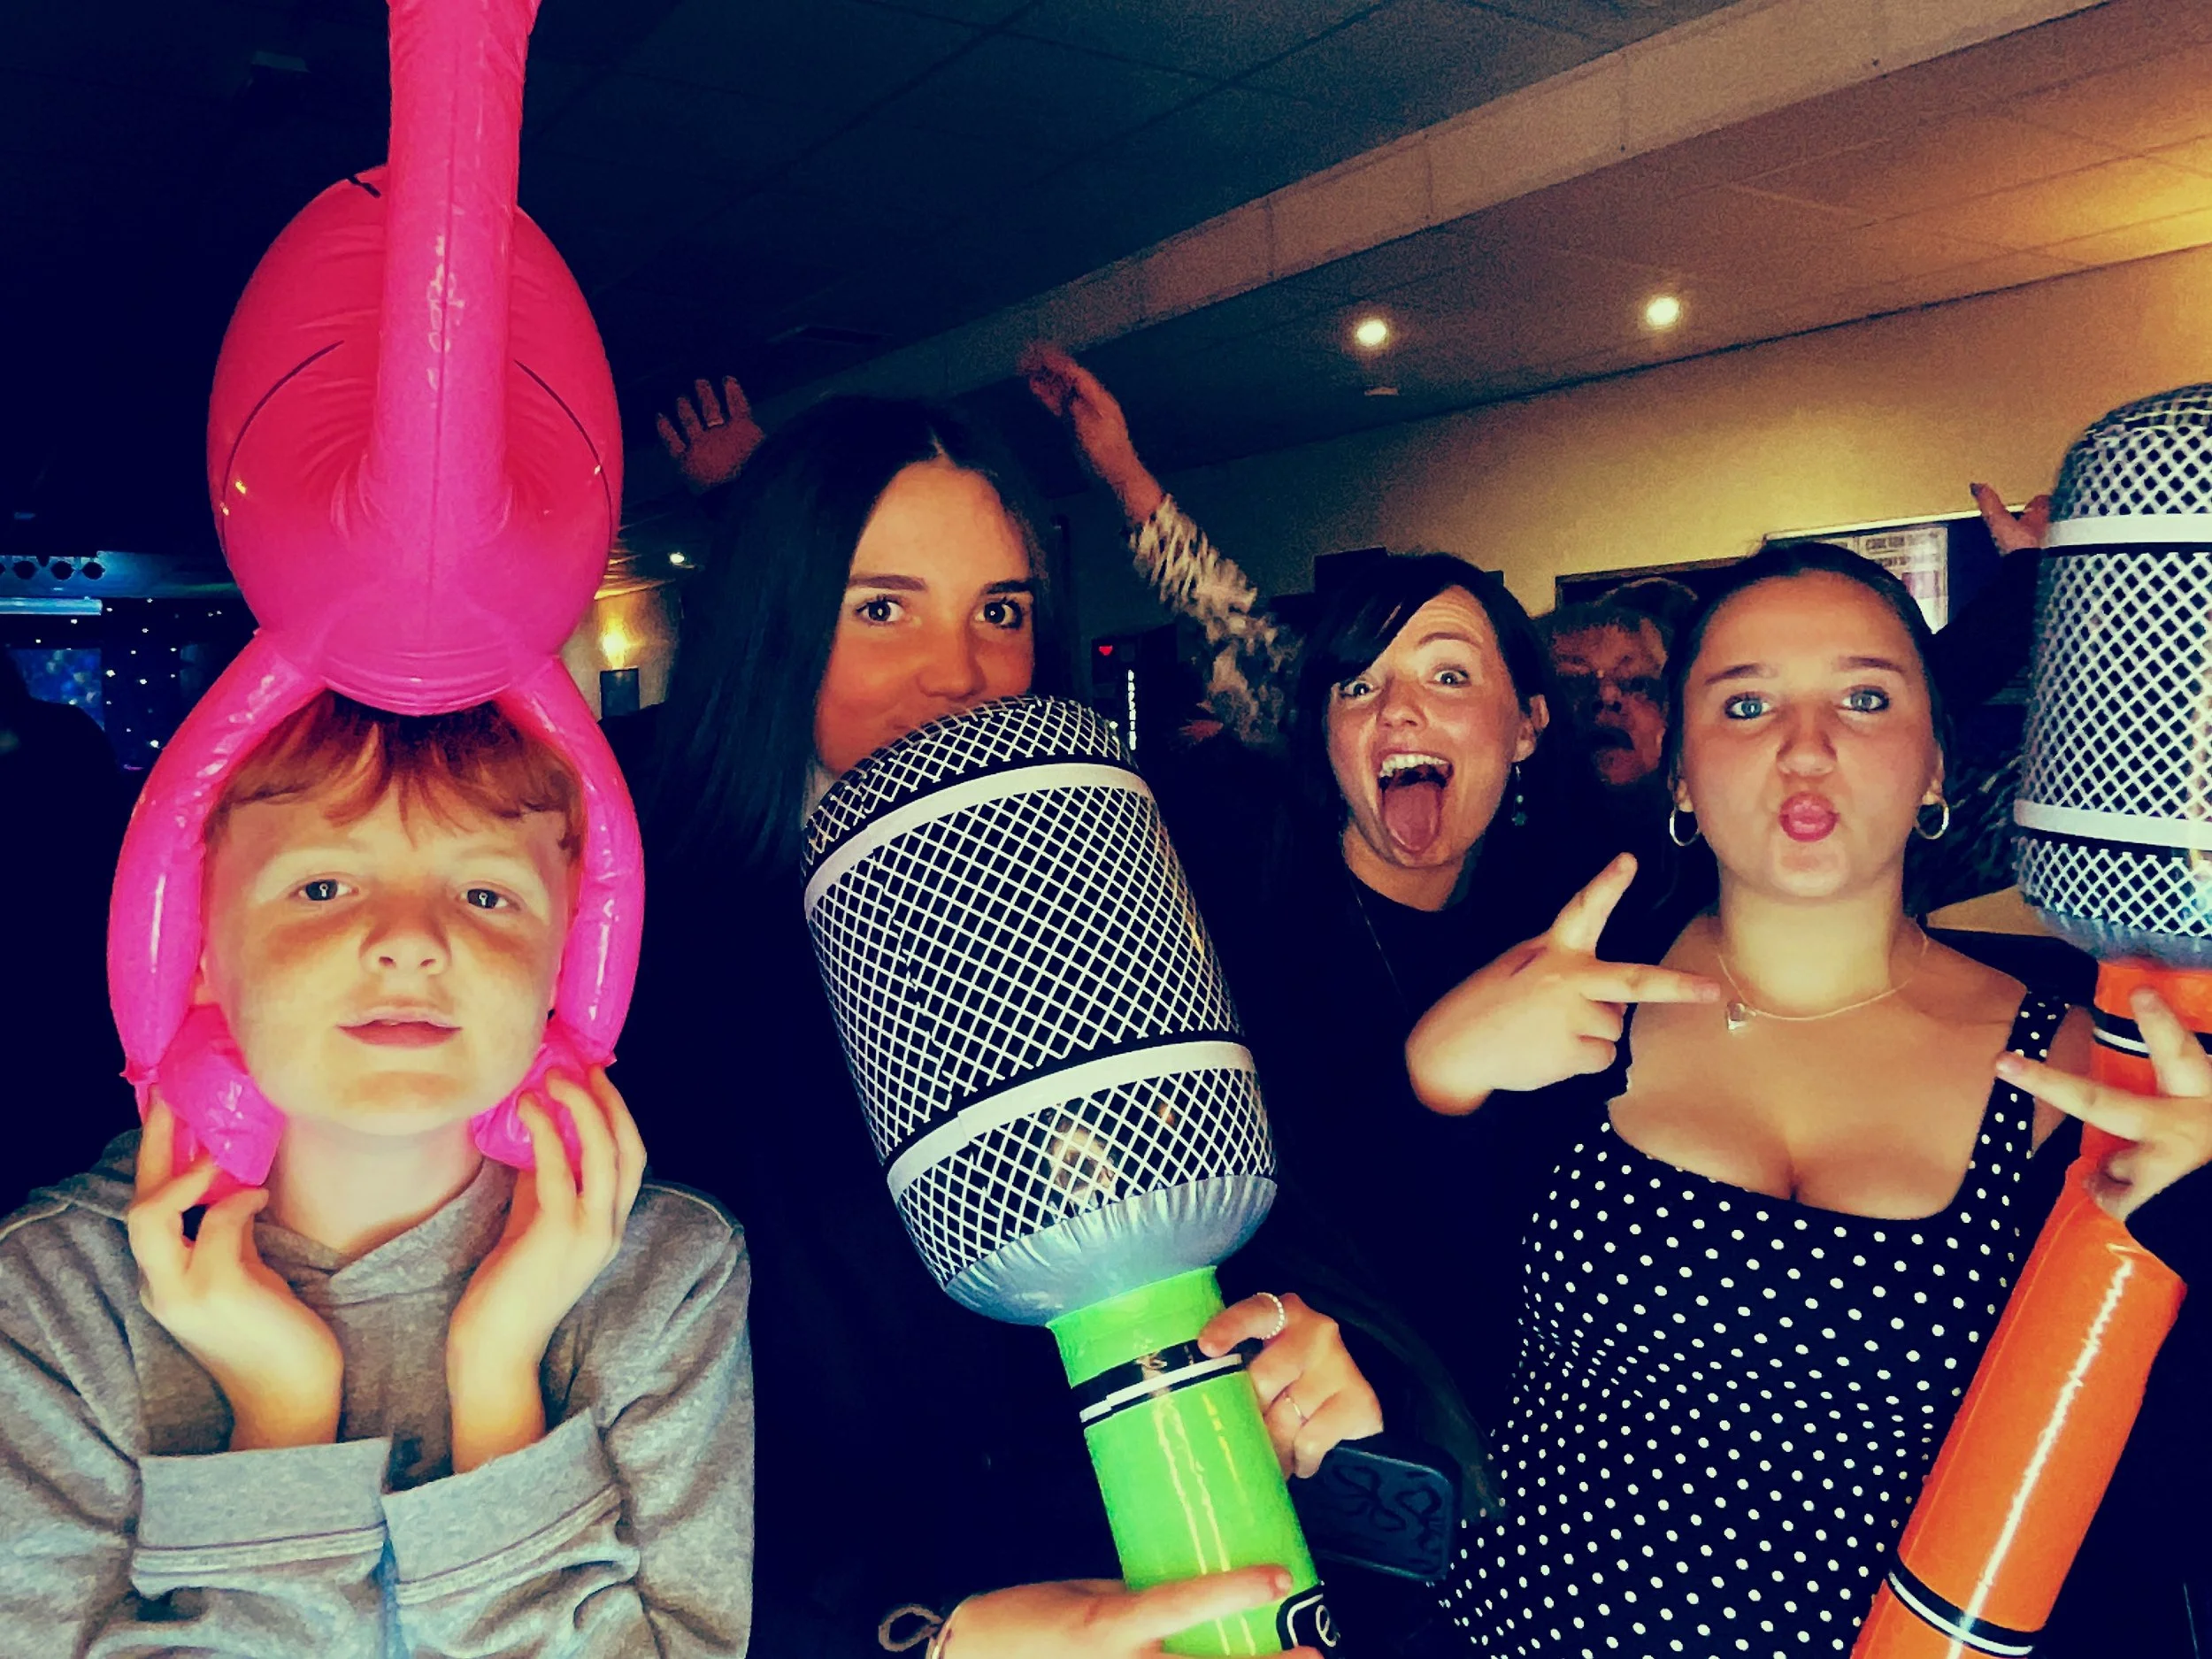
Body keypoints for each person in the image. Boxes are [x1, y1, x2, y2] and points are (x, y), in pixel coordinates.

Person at [612, 395, 1373, 1659]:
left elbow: (1264, 1237)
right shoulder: (657, 968)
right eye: (882, 608)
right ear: (775, 622)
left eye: (1001, 612)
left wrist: (1297, 1354)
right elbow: (626, 1453)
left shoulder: (1125, 895)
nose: (958, 673)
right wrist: (922, 1633)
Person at [1404, 542, 2212, 1656]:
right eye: (1745, 705)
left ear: (1934, 763)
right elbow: (1407, 1325)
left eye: (1864, 698)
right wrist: (1434, 1086)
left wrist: (2197, 1221)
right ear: (1680, 771)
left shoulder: (2103, 1079)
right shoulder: (1564, 998)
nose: (1805, 747)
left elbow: (2150, 1499)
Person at [0, 693, 756, 1655]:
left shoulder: (671, 1275)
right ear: (194, 950)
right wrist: (279, 1421)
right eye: (322, 886)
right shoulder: (52, 1302)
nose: (412, 939)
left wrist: (498, 1382)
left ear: (568, 965)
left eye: (485, 895)